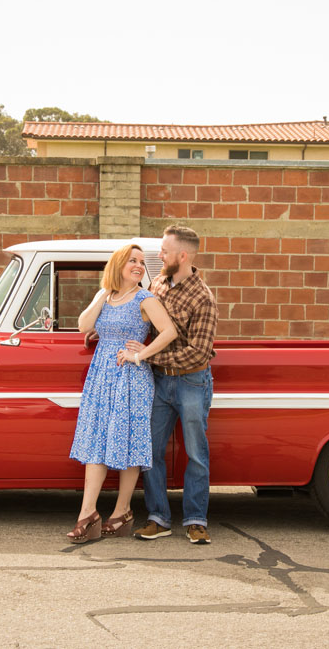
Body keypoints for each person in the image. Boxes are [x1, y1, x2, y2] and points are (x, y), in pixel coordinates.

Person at [66, 244, 177, 543]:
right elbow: (83, 325)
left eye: (142, 262)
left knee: (128, 442)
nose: (139, 266)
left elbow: (168, 332)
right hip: (101, 375)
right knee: (96, 440)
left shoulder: (145, 298)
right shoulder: (107, 296)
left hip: (131, 378)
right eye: (133, 261)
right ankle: (87, 513)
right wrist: (104, 293)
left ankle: (122, 511)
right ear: (118, 265)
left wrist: (142, 355)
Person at [126, 225, 218, 545]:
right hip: (159, 382)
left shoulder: (203, 297)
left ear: (182, 255)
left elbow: (198, 352)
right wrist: (104, 329)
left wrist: (149, 358)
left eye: (164, 251)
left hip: (192, 382)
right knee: (150, 449)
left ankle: (195, 519)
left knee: (196, 453)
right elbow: (144, 321)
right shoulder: (158, 283)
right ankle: (158, 517)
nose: (159, 255)